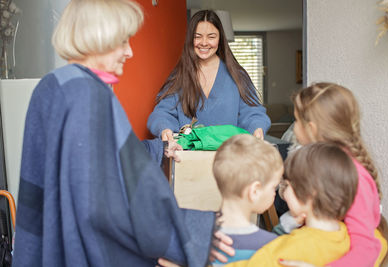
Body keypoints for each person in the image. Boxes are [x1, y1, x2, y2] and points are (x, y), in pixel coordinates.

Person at [12, 1, 215, 266]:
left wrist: (160, 148)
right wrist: (194, 235)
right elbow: (110, 199)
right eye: (122, 41)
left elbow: (100, 163)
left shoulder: (53, 86)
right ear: (99, 38)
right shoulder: (89, 94)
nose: (129, 52)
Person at [282, 82, 388, 267]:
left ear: (312, 128)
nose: (294, 128)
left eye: (297, 121)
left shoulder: (353, 175)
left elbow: (366, 248)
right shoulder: (321, 163)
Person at [226, 142, 359, 267]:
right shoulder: (346, 237)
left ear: (308, 195)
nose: (283, 191)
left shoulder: (293, 247)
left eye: (288, 185)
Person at [147, 10, 270, 141]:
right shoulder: (180, 76)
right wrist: (164, 128)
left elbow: (253, 113)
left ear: (220, 39)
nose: (204, 43)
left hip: (230, 156)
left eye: (211, 37)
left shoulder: (237, 75)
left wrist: (257, 128)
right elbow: (162, 113)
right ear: (190, 39)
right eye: (197, 36)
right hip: (189, 157)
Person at [211, 134, 283, 265]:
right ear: (254, 191)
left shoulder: (197, 235)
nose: (275, 193)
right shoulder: (271, 246)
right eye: (273, 187)